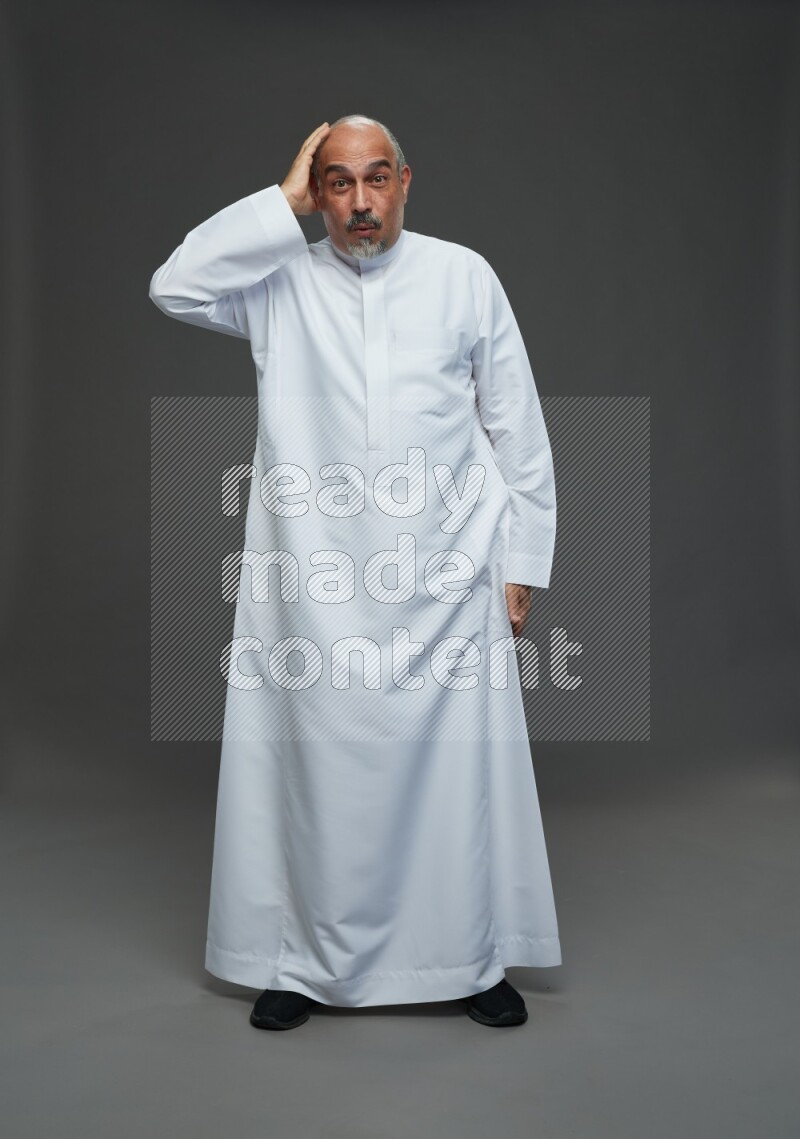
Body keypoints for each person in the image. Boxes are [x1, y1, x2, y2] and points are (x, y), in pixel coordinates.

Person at [149, 115, 560, 1030]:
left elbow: (517, 426)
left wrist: (523, 559)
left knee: (460, 775)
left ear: (407, 180)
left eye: (377, 179)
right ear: (318, 189)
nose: (361, 202)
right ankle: (291, 960)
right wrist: (280, 204)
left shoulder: (465, 277)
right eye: (338, 183)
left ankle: (470, 956)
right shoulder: (276, 278)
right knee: (308, 766)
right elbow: (173, 287)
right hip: (311, 580)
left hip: (450, 575)